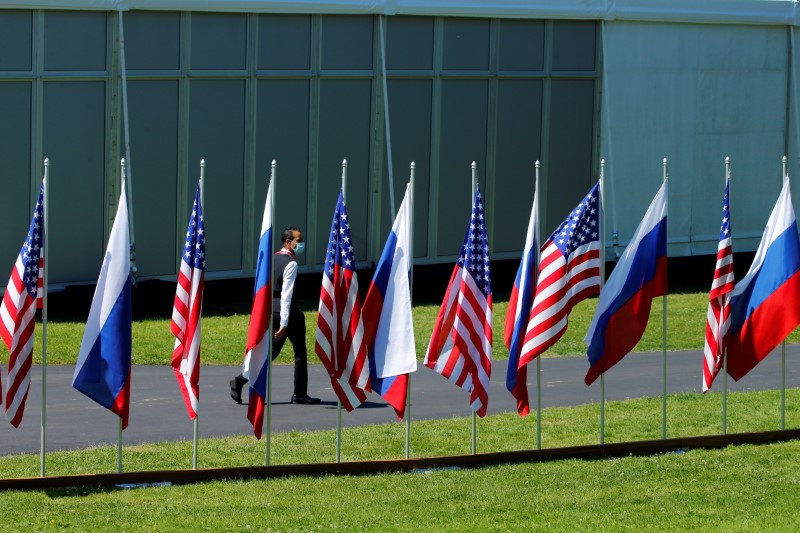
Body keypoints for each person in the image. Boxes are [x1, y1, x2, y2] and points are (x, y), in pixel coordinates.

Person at [230, 227, 321, 405]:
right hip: (287, 314)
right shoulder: (291, 263)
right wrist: (285, 323)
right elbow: (287, 295)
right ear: (288, 241)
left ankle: (241, 379)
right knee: (297, 353)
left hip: (271, 310)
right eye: (298, 240)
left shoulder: (271, 260)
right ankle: (298, 393)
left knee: (271, 352)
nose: (301, 244)